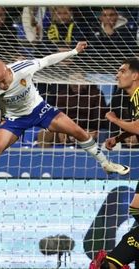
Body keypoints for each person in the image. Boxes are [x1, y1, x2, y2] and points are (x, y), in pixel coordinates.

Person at [0, 41, 130, 217]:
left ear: (8, 71)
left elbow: (48, 60)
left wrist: (74, 52)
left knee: (79, 132)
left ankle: (106, 164)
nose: (2, 86)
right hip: (14, 119)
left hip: (40, 110)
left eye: (3, 81)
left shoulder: (23, 68)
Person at [90, 58, 139, 269]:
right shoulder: (133, 99)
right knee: (136, 207)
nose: (117, 74)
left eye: (122, 71)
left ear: (135, 75)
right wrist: (118, 138)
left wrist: (115, 120)